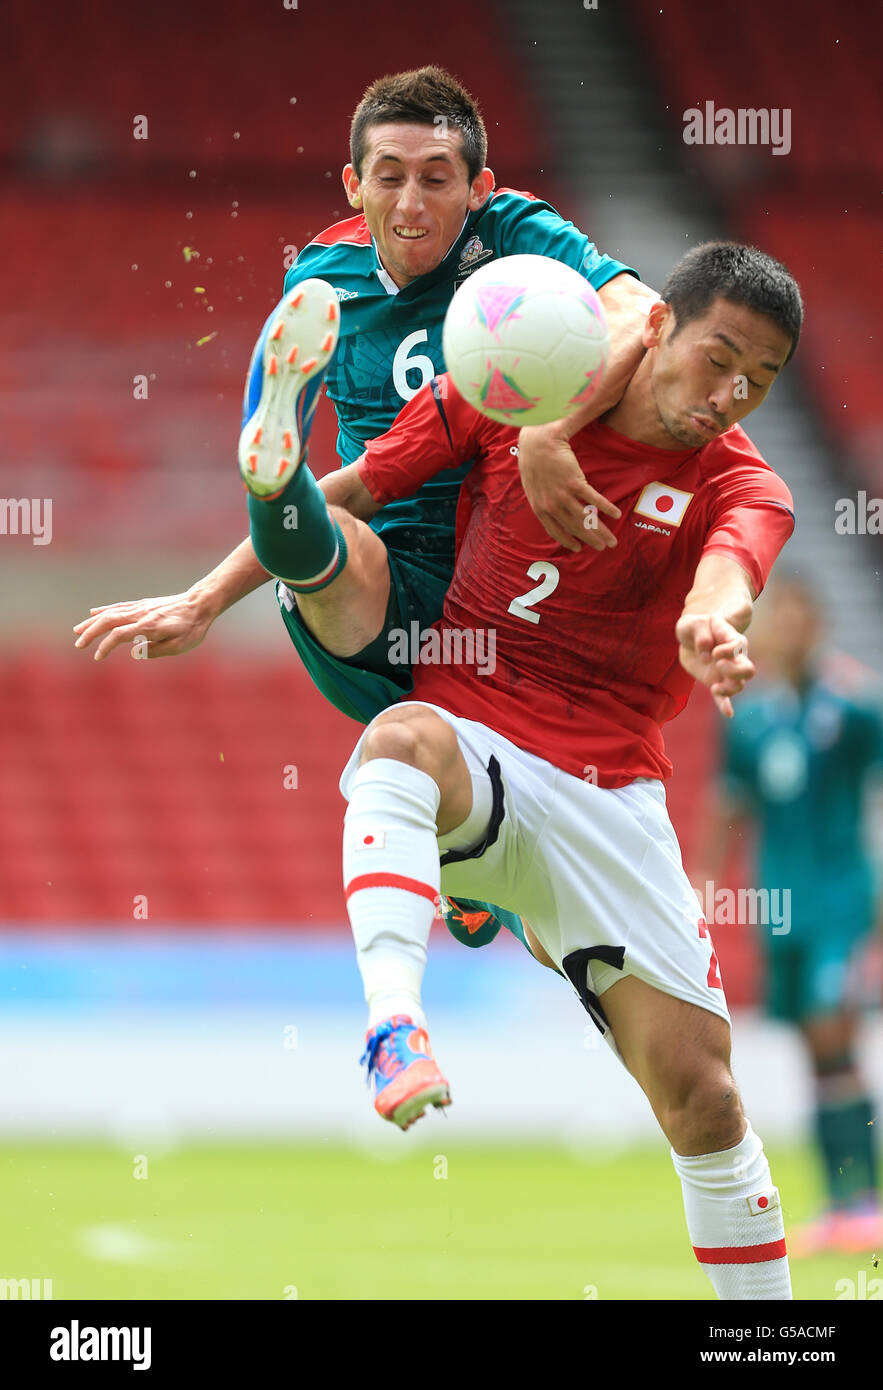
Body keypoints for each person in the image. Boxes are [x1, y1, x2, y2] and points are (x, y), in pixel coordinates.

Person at [73, 62, 655, 952]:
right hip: (387, 583)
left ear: (479, 188)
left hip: (503, 611)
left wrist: (550, 430)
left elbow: (643, 312)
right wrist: (203, 600)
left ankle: (281, 498)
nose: (413, 201)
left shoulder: (516, 234)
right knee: (341, 534)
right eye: (390, 175)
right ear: (354, 183)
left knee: (456, 781)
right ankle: (274, 482)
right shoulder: (323, 278)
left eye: (437, 177)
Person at [325, 239, 802, 1300]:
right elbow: (341, 493)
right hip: (483, 737)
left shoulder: (748, 485)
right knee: (398, 740)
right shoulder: (516, 383)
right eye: (718, 357)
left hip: (612, 797)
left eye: (758, 381)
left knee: (706, 1099)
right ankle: (395, 1021)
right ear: (655, 326)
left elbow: (729, 574)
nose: (730, 394)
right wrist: (216, 583)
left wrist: (711, 625)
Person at [701, 576, 883, 1255]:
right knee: (813, 1051)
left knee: (832, 1031)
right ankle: (840, 1207)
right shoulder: (752, 718)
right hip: (781, 908)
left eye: (801, 619)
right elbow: (729, 804)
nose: (789, 631)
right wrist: (704, 882)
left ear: (819, 627)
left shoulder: (857, 706)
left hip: (840, 902)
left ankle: (864, 1199)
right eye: (780, 620)